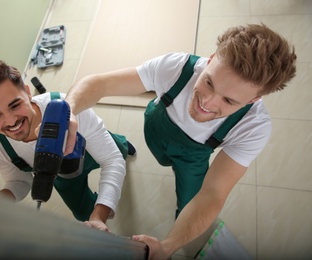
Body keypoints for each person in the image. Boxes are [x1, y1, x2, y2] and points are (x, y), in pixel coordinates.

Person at [63, 24, 297, 259]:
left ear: (253, 100)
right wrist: (69, 111)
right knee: (163, 159)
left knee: (190, 201)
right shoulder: (175, 67)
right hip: (157, 128)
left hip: (193, 157)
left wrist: (167, 246)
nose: (207, 102)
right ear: (211, 59)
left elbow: (213, 194)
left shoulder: (254, 126)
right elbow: (100, 83)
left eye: (228, 100)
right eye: (208, 82)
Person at [0, 57, 136, 232]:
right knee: (83, 213)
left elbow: (111, 160)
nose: (11, 121)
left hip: (86, 147)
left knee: (116, 150)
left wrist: (100, 214)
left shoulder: (69, 110)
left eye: (15, 105)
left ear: (28, 93)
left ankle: (119, 142)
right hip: (62, 172)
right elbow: (18, 181)